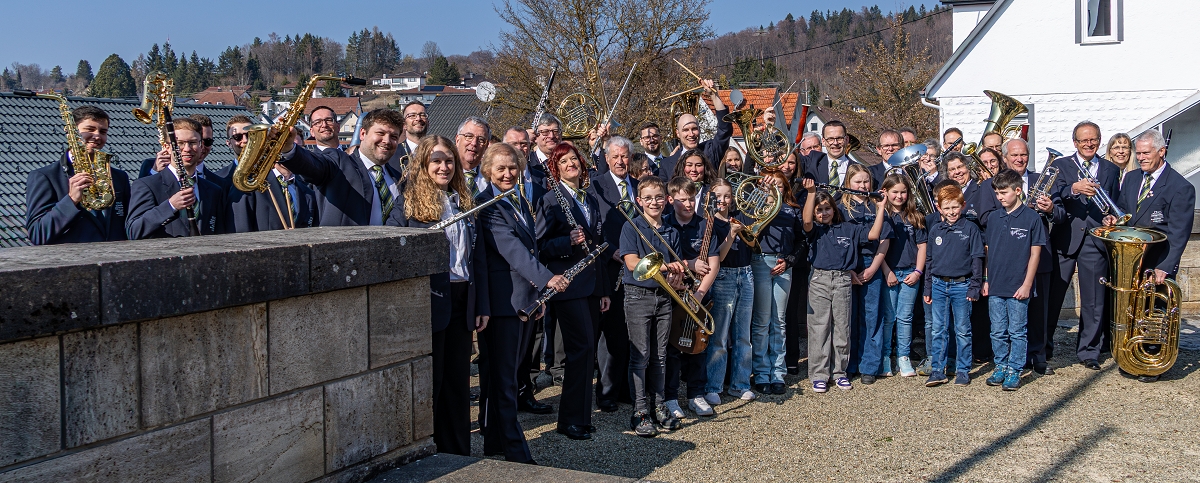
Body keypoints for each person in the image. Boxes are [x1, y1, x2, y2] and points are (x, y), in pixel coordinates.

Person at [384, 135, 481, 456]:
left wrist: (478, 304)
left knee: (458, 381)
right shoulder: (408, 202)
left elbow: (475, 258)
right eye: (436, 161)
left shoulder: (463, 201)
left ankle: (458, 452)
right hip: (430, 300)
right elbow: (393, 248)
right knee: (433, 382)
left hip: (462, 297)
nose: (444, 167)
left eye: (449, 161)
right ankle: (430, 453)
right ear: (423, 165)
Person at [475, 143, 568, 462]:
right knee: (504, 381)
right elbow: (511, 249)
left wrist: (537, 296)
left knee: (509, 375)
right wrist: (547, 279)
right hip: (502, 305)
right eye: (500, 168)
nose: (507, 173)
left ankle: (495, 442)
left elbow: (531, 248)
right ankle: (516, 451)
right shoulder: (485, 204)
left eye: (513, 167)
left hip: (523, 301)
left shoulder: (517, 199)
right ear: (488, 170)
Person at [1105, 129, 1195, 383]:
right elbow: (1124, 211)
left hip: (1158, 260)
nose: (1141, 157)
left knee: (1155, 310)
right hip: (1132, 258)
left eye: (1146, 153)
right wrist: (1114, 219)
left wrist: (1166, 266)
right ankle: (1130, 355)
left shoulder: (1181, 186)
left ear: (1161, 152)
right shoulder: (1132, 178)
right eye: (1139, 153)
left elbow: (1179, 233)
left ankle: (1151, 360)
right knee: (1132, 310)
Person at [534, 142, 609, 440]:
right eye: (563, 161)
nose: (570, 164)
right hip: (568, 285)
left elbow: (597, 247)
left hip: (590, 286)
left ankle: (581, 416)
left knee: (588, 351)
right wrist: (567, 241)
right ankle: (569, 420)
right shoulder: (550, 200)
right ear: (556, 168)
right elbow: (540, 246)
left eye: (574, 159)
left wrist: (603, 290)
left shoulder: (589, 199)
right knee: (579, 349)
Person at [1045, 122, 1119, 371]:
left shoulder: (1110, 169)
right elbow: (1053, 195)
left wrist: (1111, 217)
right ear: (1075, 142)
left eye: (1093, 139)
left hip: (1095, 239)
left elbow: (1114, 202)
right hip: (1065, 237)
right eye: (1084, 140)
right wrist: (1073, 189)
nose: (1089, 144)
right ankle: (1043, 347)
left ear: (1100, 140)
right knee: (1053, 296)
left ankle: (1089, 351)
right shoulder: (1061, 165)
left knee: (1094, 300)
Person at [802, 179, 886, 392]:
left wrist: (881, 208)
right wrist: (811, 193)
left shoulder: (848, 228)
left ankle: (839, 372)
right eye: (819, 210)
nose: (824, 213)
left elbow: (873, 234)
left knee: (841, 327)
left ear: (834, 208)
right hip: (819, 280)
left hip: (842, 280)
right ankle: (819, 374)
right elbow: (806, 220)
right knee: (819, 327)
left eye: (827, 208)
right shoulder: (815, 230)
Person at [620, 175, 687, 437]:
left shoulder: (672, 230)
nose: (654, 202)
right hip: (638, 296)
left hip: (664, 297)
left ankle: (659, 406)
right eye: (648, 198)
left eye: (659, 197)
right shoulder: (632, 227)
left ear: (666, 200)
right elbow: (631, 263)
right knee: (641, 356)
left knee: (660, 355)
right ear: (639, 201)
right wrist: (666, 267)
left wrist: (677, 274)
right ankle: (639, 411)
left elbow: (676, 266)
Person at [26, 105, 131, 245]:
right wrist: (71, 200)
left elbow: (130, 225)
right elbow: (37, 234)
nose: (97, 136)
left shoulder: (119, 177)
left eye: (103, 131)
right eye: (90, 129)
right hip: (73, 258)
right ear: (73, 133)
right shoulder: (45, 177)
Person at [279, 109, 404, 227]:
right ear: (362, 134)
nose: (387, 141)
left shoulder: (399, 178)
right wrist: (289, 149)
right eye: (380, 133)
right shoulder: (339, 163)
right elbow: (313, 166)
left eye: (394, 137)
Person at [983, 170, 1047, 391]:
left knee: (1017, 331)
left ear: (1018, 190)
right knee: (997, 330)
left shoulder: (1032, 218)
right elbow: (989, 250)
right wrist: (986, 279)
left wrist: (1027, 284)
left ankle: (1015, 369)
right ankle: (1000, 365)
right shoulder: (993, 217)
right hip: (996, 284)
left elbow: (1035, 254)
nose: (1000, 197)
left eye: (1004, 192)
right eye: (997, 193)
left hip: (1019, 285)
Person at [663, 177, 722, 418]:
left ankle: (696, 394)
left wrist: (699, 294)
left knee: (699, 345)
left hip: (699, 294)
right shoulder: (664, 224)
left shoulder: (705, 225)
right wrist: (684, 269)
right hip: (673, 293)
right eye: (682, 200)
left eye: (691, 199)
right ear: (670, 200)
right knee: (672, 348)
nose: (688, 204)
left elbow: (713, 264)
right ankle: (670, 397)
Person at [587, 135, 638, 412]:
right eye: (615, 156)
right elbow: (594, 227)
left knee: (630, 331)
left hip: (636, 269)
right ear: (606, 159)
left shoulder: (638, 186)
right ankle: (606, 392)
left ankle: (624, 389)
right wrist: (611, 251)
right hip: (610, 266)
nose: (620, 161)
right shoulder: (596, 186)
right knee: (611, 333)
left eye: (624, 156)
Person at [126, 117, 231, 238]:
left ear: (201, 145)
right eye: (179, 143)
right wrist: (170, 206)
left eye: (193, 142)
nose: (187, 149)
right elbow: (133, 231)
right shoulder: (146, 185)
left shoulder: (214, 191)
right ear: (167, 147)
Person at [922, 183, 984, 387]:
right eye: (947, 208)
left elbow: (977, 258)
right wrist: (928, 288)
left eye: (955, 207)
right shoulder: (935, 230)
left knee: (962, 330)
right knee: (938, 329)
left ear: (962, 205)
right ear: (939, 208)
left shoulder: (971, 228)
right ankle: (938, 370)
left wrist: (975, 286)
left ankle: (963, 370)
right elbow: (929, 261)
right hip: (939, 285)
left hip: (962, 286)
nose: (951, 212)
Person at [749, 170, 803, 394]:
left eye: (779, 186)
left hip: (783, 265)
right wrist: (764, 197)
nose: (775, 189)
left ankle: (778, 372)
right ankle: (761, 372)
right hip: (761, 261)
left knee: (779, 321)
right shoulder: (754, 207)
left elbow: (801, 240)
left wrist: (789, 261)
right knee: (762, 321)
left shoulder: (792, 210)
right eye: (770, 185)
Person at [702, 178, 755, 403]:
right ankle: (713, 386)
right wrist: (732, 234)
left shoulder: (739, 217)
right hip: (723, 276)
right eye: (718, 196)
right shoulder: (709, 223)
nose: (722, 200)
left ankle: (740, 384)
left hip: (746, 274)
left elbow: (754, 242)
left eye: (727, 196)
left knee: (743, 336)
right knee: (720, 336)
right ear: (710, 198)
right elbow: (720, 257)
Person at [840, 164, 893, 383]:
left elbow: (885, 240)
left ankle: (870, 365)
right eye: (858, 181)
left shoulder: (877, 206)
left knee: (872, 316)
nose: (862, 185)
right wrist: (849, 269)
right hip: (847, 265)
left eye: (866, 181)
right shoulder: (841, 208)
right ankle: (849, 364)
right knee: (848, 317)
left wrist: (873, 268)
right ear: (848, 183)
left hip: (872, 263)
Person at [880, 173, 927, 377]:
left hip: (910, 272)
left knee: (905, 317)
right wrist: (887, 271)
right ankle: (885, 356)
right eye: (895, 192)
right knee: (888, 317)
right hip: (888, 273)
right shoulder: (882, 216)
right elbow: (877, 249)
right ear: (885, 192)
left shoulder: (915, 216)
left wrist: (918, 271)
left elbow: (922, 246)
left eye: (903, 192)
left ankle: (904, 356)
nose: (899, 196)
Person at [659, 79, 731, 180]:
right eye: (685, 130)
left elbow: (725, 130)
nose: (691, 134)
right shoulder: (666, 164)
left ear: (699, 130)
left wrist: (714, 95)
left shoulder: (710, 151)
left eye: (694, 129)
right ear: (677, 133)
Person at [800, 120, 885, 190]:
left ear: (847, 139)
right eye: (830, 139)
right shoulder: (812, 160)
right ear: (823, 141)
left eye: (839, 138)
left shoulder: (859, 169)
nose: (835, 143)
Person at [388, 101, 427, 174]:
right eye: (412, 115)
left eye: (422, 115)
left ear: (428, 122)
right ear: (404, 125)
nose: (418, 119)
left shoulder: (437, 151)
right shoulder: (392, 155)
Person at [212, 115, 254, 181]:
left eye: (249, 135)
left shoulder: (270, 173)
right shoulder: (218, 178)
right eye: (237, 137)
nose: (245, 140)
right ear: (229, 143)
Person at [528, 114, 563, 182]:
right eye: (545, 132)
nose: (551, 136)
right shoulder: (527, 163)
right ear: (535, 137)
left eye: (555, 131)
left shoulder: (570, 161)